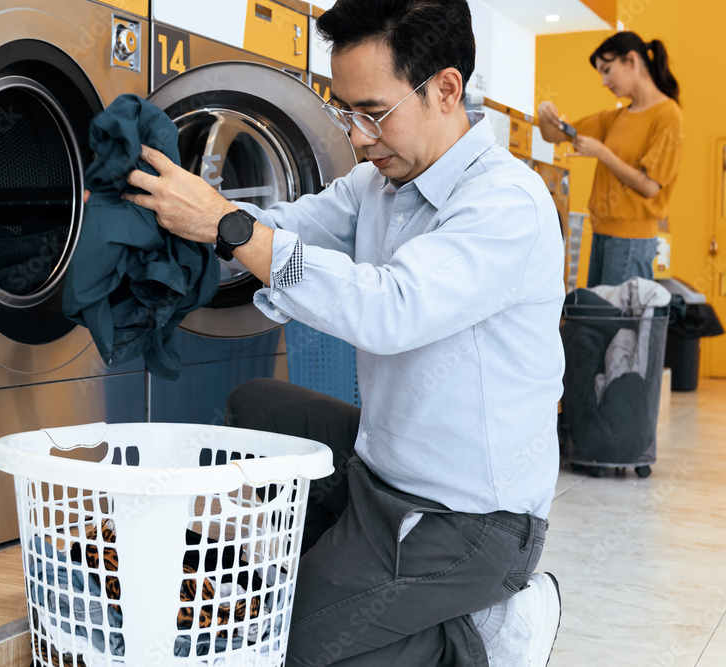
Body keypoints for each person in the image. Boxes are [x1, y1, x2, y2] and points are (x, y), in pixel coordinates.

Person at [122, 0, 564, 663]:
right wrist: (186, 212)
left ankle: (496, 632)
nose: (358, 137)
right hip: (379, 468)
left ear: (446, 89)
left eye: (374, 112)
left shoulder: (505, 203)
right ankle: (349, 575)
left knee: (296, 651)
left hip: (468, 521)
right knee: (254, 407)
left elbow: (392, 309)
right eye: (345, 111)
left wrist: (231, 226)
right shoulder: (377, 187)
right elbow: (291, 227)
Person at [538, 31, 683, 287]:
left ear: (631, 60)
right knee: (600, 324)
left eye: (607, 69)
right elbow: (552, 134)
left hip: (632, 243)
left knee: (614, 325)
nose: (604, 82)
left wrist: (602, 152)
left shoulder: (668, 115)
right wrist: (545, 111)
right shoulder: (614, 119)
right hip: (602, 234)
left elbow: (650, 186)